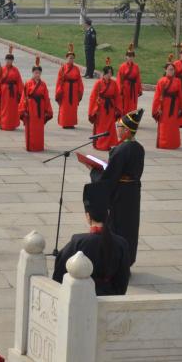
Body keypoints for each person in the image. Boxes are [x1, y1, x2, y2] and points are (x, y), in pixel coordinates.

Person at [51, 182, 131, 296]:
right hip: (110, 297)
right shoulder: (121, 244)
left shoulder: (77, 242)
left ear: (88, 216)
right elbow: (122, 283)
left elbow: (58, 277)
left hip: (80, 296)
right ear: (108, 214)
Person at [88, 108, 145, 266]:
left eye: (118, 127)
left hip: (120, 194)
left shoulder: (121, 150)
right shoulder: (138, 147)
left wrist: (94, 171)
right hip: (133, 192)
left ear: (126, 131)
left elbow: (109, 178)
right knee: (130, 227)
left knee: (117, 227)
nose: (116, 130)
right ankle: (127, 260)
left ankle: (116, 262)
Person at [19, 57, 53, 152]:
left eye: (39, 73)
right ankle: (31, 146)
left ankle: (39, 146)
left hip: (40, 109)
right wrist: (23, 110)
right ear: (32, 73)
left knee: (39, 129)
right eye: (35, 73)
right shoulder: (28, 83)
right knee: (31, 128)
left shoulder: (43, 84)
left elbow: (46, 98)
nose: (37, 75)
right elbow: (24, 97)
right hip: (31, 108)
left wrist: (47, 110)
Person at [88, 58, 121, 151]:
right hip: (101, 108)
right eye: (108, 73)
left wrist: (118, 109)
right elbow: (93, 97)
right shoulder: (98, 83)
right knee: (101, 126)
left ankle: (110, 143)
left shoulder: (114, 83)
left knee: (110, 126)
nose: (109, 75)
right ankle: (101, 144)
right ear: (104, 73)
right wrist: (93, 109)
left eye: (111, 73)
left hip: (110, 108)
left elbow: (117, 96)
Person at [152, 55, 182, 150]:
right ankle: (163, 143)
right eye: (169, 69)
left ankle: (173, 143)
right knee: (164, 125)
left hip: (174, 106)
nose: (171, 71)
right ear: (165, 70)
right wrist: (158, 108)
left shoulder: (178, 81)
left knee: (173, 125)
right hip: (164, 106)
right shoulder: (161, 81)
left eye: (172, 70)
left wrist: (180, 108)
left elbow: (180, 96)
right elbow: (157, 97)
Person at [0, 46, 23, 132]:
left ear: (12, 61)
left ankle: (12, 124)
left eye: (10, 60)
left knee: (12, 109)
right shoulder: (1, 70)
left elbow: (19, 82)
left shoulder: (16, 70)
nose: (9, 61)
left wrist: (20, 93)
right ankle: (3, 124)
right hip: (4, 92)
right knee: (3, 108)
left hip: (13, 93)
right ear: (5, 60)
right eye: (7, 60)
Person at [55, 44, 83, 129]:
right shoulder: (63, 68)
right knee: (65, 107)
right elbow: (59, 81)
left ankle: (71, 123)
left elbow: (79, 80)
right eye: (70, 58)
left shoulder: (76, 69)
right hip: (65, 90)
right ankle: (65, 123)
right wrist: (59, 91)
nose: (71, 59)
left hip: (74, 91)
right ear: (66, 58)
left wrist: (80, 91)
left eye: (72, 58)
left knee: (73, 108)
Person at [117, 43, 142, 114]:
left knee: (133, 105)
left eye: (132, 56)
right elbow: (119, 79)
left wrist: (139, 89)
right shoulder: (122, 66)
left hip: (133, 89)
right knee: (124, 105)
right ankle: (123, 118)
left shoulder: (136, 67)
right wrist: (120, 90)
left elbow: (138, 79)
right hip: (125, 88)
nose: (130, 58)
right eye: (129, 56)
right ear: (126, 57)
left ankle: (131, 118)